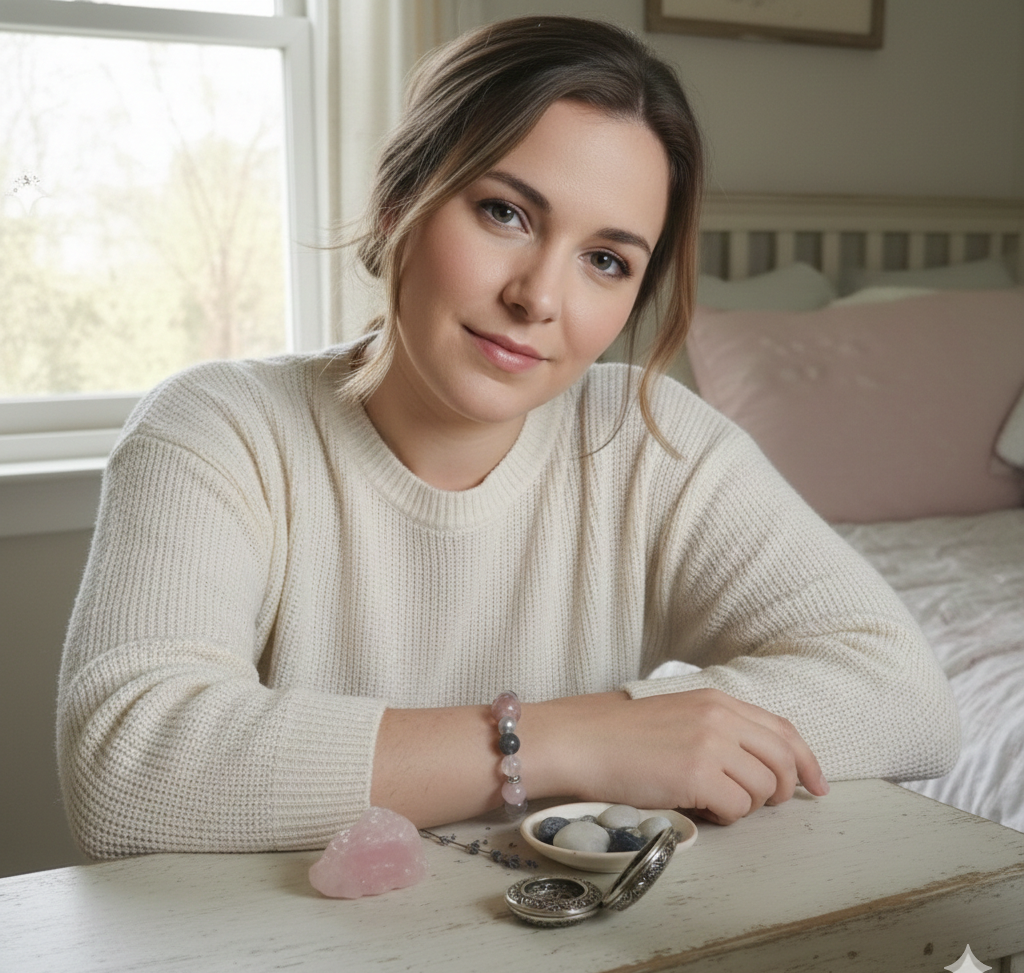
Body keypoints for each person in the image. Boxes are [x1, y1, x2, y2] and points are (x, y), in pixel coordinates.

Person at [57, 16, 959, 860]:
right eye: (506, 213)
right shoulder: (218, 428)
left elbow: (906, 697)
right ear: (398, 202)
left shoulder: (647, 441)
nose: (539, 297)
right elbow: (129, 769)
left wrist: (647, 727)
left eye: (606, 261)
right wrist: (575, 740)